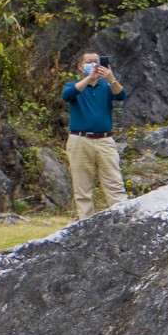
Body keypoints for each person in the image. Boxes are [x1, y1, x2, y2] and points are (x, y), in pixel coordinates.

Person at [60, 49, 128, 219]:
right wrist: (89, 78)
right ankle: (85, 222)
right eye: (89, 62)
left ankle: (122, 219)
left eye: (96, 62)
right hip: (80, 139)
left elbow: (121, 95)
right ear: (80, 66)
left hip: (104, 140)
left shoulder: (106, 86)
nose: (93, 65)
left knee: (114, 184)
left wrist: (111, 78)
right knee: (82, 187)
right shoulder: (75, 85)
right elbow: (67, 95)